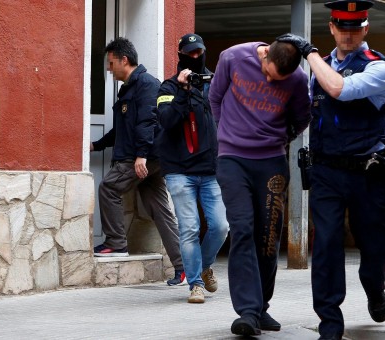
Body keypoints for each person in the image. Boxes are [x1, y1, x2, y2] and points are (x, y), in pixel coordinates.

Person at [277, 1, 385, 339]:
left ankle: (374, 287)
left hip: (368, 173)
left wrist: (308, 52)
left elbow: (340, 89)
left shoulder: (379, 68)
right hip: (327, 171)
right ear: (332, 27)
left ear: (365, 29)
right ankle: (329, 322)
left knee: (374, 246)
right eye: (342, 27)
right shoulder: (322, 66)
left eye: (355, 27)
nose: (348, 34)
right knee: (327, 243)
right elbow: (309, 112)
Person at [209, 38, 312, 336]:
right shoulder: (232, 57)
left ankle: (261, 307)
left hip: (271, 163)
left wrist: (281, 138)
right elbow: (214, 98)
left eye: (277, 80)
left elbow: (302, 117)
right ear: (265, 53)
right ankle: (247, 311)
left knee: (267, 238)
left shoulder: (297, 80)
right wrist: (226, 135)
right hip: (233, 160)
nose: (269, 80)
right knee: (242, 228)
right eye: (268, 73)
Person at [91, 37, 185, 286]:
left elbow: (148, 122)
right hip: (149, 158)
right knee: (161, 212)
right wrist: (96, 145)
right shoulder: (130, 87)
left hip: (144, 157)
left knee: (109, 187)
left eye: (111, 63)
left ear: (125, 60)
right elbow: (123, 128)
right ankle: (183, 267)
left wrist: (141, 155)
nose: (109, 69)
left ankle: (116, 243)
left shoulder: (146, 85)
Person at [156, 33, 229, 304]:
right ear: (181, 56)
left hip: (212, 170)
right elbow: (166, 121)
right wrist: (183, 91)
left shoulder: (216, 84)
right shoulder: (167, 88)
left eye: (199, 53)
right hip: (179, 171)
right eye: (190, 54)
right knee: (189, 228)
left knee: (221, 226)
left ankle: (204, 266)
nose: (195, 57)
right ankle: (195, 283)